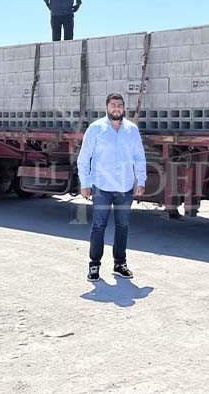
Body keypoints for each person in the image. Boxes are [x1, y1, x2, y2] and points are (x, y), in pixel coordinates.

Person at [78, 93, 147, 281]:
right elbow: (84, 157)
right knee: (98, 226)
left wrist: (141, 180)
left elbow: (139, 157)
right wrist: (85, 183)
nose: (116, 108)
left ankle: (120, 264)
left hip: (125, 187)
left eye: (120, 105)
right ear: (107, 107)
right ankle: (94, 265)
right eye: (113, 105)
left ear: (124, 108)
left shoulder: (131, 130)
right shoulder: (96, 129)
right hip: (101, 187)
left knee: (122, 226)